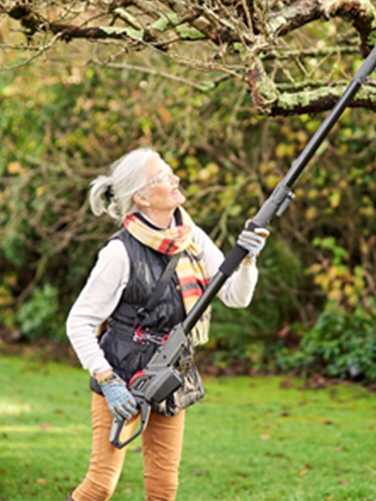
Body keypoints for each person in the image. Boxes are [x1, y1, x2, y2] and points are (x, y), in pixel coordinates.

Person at [65, 147, 269, 501]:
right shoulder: (119, 252)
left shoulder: (192, 237)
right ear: (142, 197)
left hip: (171, 372)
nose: (175, 179)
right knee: (99, 486)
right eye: (162, 176)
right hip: (123, 373)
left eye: (170, 171)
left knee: (164, 490)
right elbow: (78, 322)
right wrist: (108, 381)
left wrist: (248, 261)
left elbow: (236, 297)